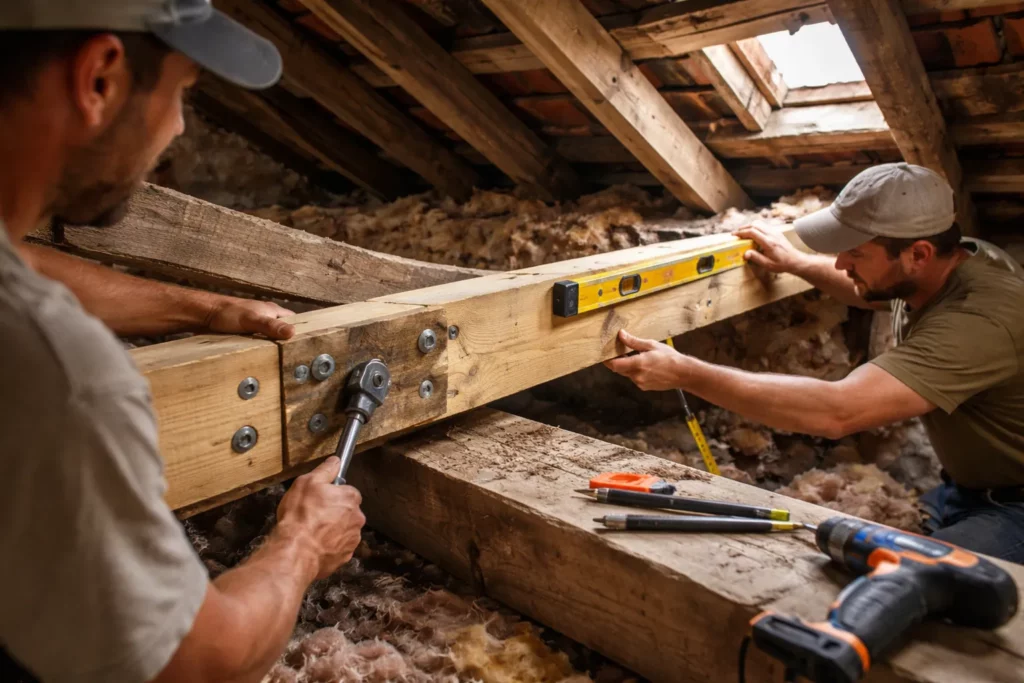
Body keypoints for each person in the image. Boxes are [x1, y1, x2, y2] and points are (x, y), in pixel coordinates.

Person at [0, 2, 367, 682]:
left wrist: (206, 307)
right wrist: (302, 543)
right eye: (182, 91)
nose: (176, 126)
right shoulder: (61, 373)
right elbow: (196, 659)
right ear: (100, 78)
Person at [606, 163, 1024, 564]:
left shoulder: (980, 318)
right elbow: (874, 290)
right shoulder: (950, 262)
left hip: (1014, 506)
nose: (842, 263)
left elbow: (836, 411)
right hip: (968, 490)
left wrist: (684, 373)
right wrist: (797, 263)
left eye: (855, 253)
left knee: (907, 579)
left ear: (918, 253)